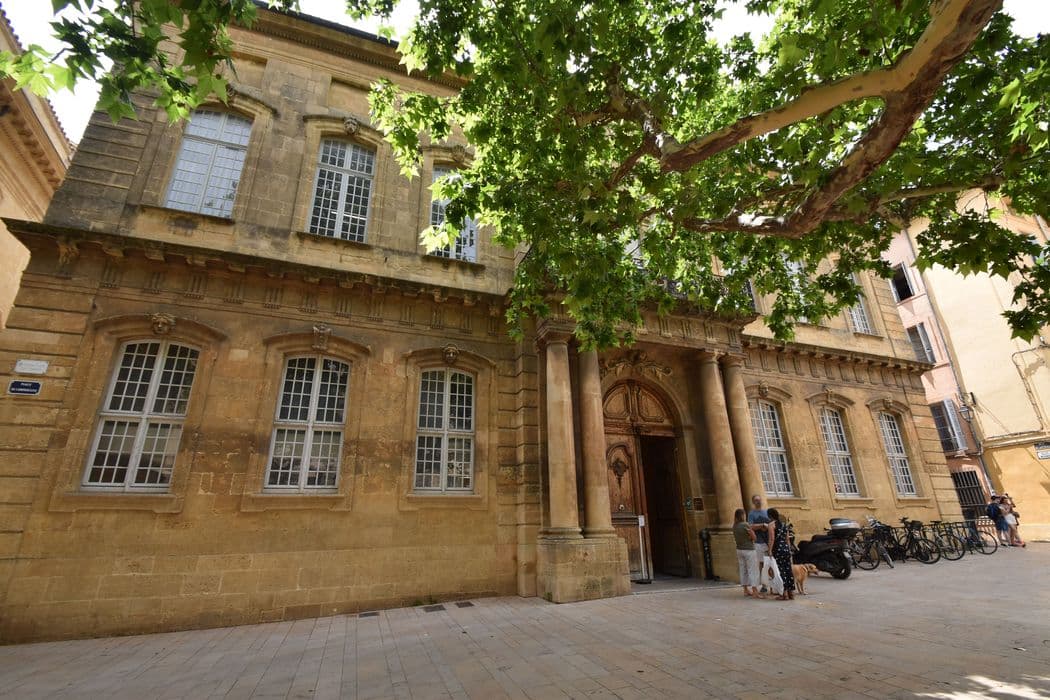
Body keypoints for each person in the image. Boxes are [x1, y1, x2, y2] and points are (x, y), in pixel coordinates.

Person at [763, 508, 795, 601]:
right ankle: (791, 593)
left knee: (780, 571)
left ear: (770, 516)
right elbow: (787, 539)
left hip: (777, 549)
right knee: (788, 571)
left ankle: (784, 594)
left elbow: (772, 539)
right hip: (786, 549)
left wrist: (769, 550)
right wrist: (789, 549)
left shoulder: (771, 525)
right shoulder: (784, 525)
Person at [733, 508, 762, 598]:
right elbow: (754, 537)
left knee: (743, 569)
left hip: (739, 550)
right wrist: (750, 537)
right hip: (749, 549)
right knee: (753, 570)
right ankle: (755, 591)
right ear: (743, 515)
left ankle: (745, 590)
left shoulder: (734, 526)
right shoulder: (745, 525)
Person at [747, 495, 771, 590]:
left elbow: (771, 524)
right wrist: (762, 525)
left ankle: (773, 584)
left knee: (770, 563)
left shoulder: (766, 512)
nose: (759, 501)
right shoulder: (751, 514)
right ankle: (764, 585)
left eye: (759, 500)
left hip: (768, 541)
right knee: (761, 563)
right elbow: (750, 526)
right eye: (756, 500)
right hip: (758, 542)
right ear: (753, 502)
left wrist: (767, 526)